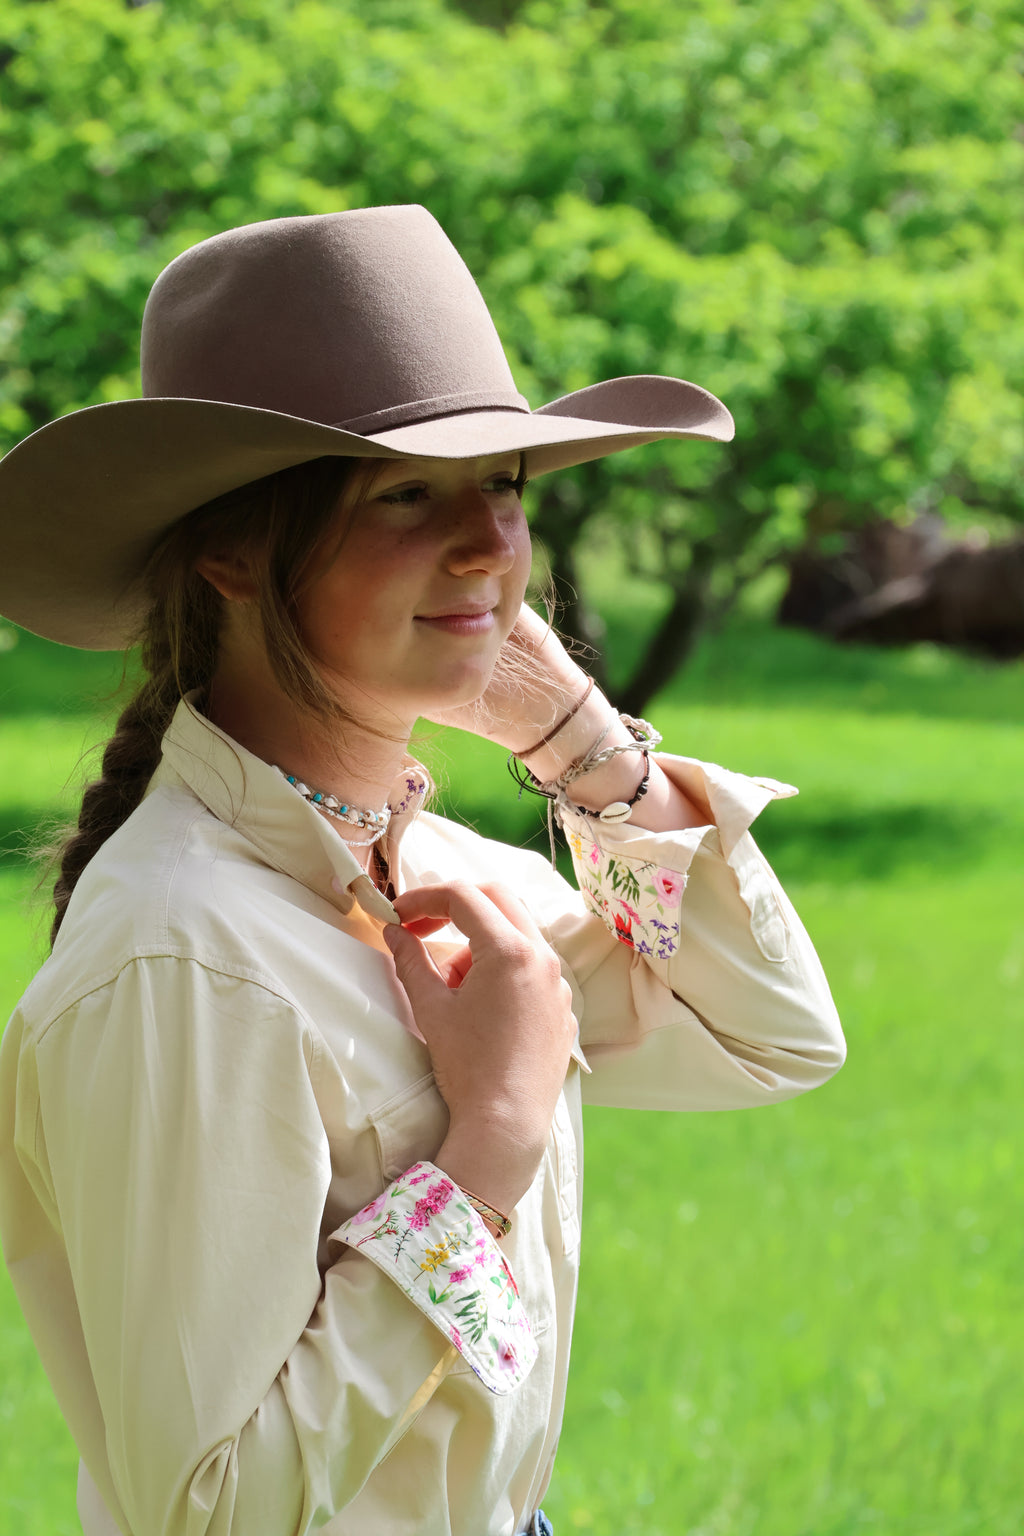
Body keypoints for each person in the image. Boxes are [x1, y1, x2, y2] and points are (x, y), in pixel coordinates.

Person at [0, 205, 845, 1536]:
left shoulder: (454, 875)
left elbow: (775, 1039)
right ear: (227, 549)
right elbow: (205, 1513)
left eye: (505, 489)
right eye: (407, 494)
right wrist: (488, 1149)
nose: (487, 548)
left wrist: (594, 757)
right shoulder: (181, 963)